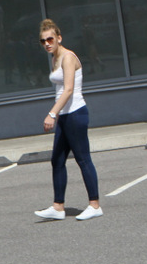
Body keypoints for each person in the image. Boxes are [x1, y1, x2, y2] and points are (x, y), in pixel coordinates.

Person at [33, 18, 101, 222]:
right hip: (64, 115)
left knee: (83, 159)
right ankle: (58, 207)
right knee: (57, 160)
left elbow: (69, 89)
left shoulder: (68, 57)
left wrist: (52, 113)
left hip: (75, 113)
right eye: (43, 41)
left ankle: (95, 205)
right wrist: (58, 114)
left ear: (59, 38)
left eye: (50, 39)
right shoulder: (55, 58)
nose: (47, 43)